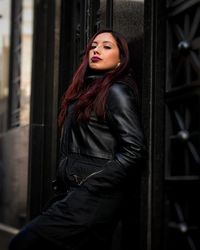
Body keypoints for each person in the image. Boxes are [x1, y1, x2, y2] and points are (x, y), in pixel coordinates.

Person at [9, 29, 146, 250]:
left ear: (121, 60)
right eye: (93, 46)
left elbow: (134, 150)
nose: (96, 50)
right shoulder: (87, 92)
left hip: (94, 197)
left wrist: (93, 184)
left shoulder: (116, 92)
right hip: (74, 193)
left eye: (106, 47)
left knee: (25, 243)